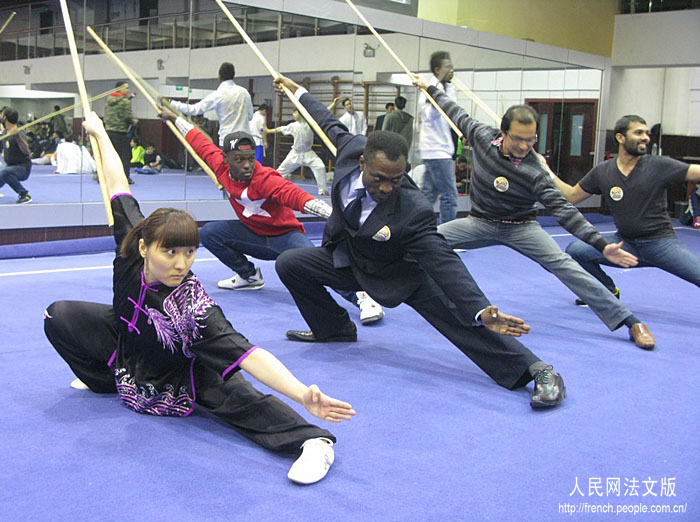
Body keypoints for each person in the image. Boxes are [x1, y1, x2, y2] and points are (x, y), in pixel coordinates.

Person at [43, 111, 355, 485]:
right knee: (58, 316)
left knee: (239, 399)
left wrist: (303, 393)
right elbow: (116, 181)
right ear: (143, 247)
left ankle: (313, 442)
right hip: (130, 340)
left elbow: (250, 355)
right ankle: (107, 378)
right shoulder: (130, 248)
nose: (181, 263)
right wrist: (98, 133)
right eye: (170, 253)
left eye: (189, 252)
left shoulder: (193, 306)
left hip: (182, 368)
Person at [272, 75, 566, 410]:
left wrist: (481, 309)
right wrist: (298, 91)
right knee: (291, 263)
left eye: (395, 180)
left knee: (463, 321)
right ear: (363, 162)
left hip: (401, 274)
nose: (386, 188)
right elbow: (325, 118)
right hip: (352, 259)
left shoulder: (413, 210)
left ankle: (538, 370)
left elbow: (444, 260)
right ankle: (333, 328)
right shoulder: (351, 148)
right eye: (379, 179)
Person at [413, 76, 656, 350]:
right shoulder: (481, 137)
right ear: (502, 132)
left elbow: (564, 211)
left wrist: (602, 245)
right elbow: (454, 111)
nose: (524, 147)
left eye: (531, 140)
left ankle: (630, 321)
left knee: (565, 266)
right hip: (478, 222)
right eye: (518, 139)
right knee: (424, 240)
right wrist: (428, 87)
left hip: (521, 227)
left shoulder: (535, 170)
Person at [158, 105, 386, 326]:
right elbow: (198, 140)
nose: (248, 165)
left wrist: (335, 215)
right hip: (252, 234)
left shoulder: (265, 178)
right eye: (240, 160)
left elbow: (296, 196)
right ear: (226, 158)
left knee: (320, 265)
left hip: (285, 235)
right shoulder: (218, 165)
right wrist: (172, 117)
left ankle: (363, 298)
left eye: (250, 158)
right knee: (210, 233)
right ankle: (249, 276)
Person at [550, 115, 700, 293]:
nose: (645, 137)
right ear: (620, 138)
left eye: (646, 133)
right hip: (625, 245)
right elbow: (571, 196)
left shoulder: (660, 165)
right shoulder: (602, 171)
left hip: (662, 245)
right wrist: (546, 170)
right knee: (576, 250)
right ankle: (608, 290)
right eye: (638, 132)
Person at [168, 62, 253, 147]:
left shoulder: (218, 95)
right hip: (245, 140)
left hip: (227, 141)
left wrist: (171, 103)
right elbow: (250, 116)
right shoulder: (244, 92)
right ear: (234, 75)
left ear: (219, 76)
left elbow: (193, 109)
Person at [418, 51, 459, 224]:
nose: (452, 70)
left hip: (441, 149)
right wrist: (433, 89)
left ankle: (418, 228)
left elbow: (452, 111)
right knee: (450, 196)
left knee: (428, 195)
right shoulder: (427, 91)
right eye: (448, 67)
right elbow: (432, 115)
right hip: (436, 150)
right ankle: (448, 236)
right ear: (437, 70)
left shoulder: (449, 88)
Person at [268, 110, 329, 196]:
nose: (293, 114)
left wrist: (333, 104)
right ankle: (270, 186)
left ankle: (323, 190)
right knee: (280, 172)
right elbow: (280, 129)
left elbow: (322, 112)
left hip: (308, 154)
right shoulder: (293, 125)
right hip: (295, 154)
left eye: (295, 112)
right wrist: (268, 131)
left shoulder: (310, 124)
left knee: (320, 167)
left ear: (300, 113)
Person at [105, 81, 136, 184]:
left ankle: (104, 176)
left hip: (109, 131)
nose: (128, 90)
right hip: (120, 132)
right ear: (120, 89)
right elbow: (127, 117)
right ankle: (125, 177)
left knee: (109, 156)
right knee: (125, 156)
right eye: (126, 88)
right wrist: (133, 121)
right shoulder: (125, 101)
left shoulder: (109, 100)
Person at [0, 107, 32, 203]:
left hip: (22, 168)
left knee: (5, 173)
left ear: (4, 117)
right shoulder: (5, 132)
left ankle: (24, 195)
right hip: (10, 165)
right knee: (2, 172)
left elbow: (26, 151)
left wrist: (17, 136)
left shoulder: (19, 132)